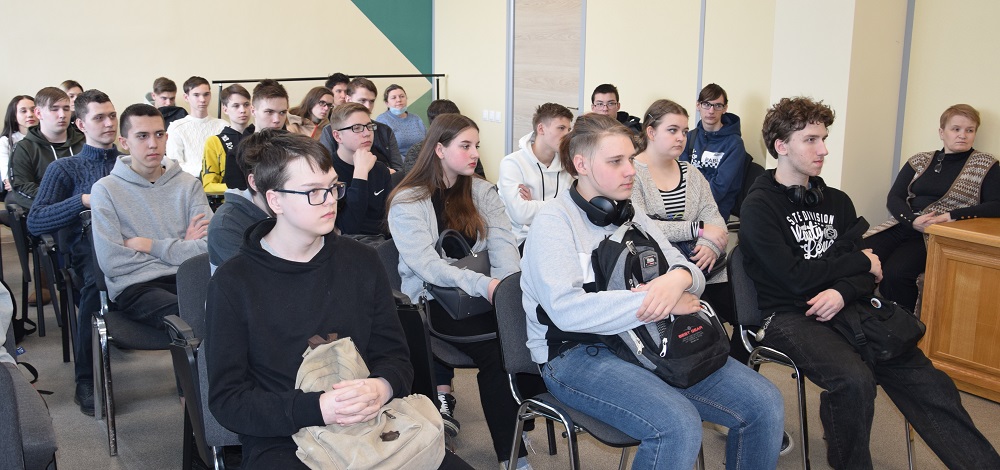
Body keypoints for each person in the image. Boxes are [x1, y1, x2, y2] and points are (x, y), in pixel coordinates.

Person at [740, 96, 1000, 470]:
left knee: (931, 384)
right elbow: (794, 278)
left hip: (847, 305)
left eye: (824, 138)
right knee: (854, 381)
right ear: (781, 146)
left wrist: (843, 287)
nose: (823, 150)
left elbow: (871, 274)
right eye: (811, 140)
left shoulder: (837, 201)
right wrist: (858, 261)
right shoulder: (759, 206)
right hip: (787, 315)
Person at [520, 112, 783, 470]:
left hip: (646, 336)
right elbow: (567, 310)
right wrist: (659, 300)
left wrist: (676, 280)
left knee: (765, 402)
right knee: (677, 425)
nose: (630, 170)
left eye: (630, 159)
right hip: (576, 353)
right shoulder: (554, 222)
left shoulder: (630, 213)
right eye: (616, 161)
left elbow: (691, 274)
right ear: (581, 165)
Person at [205, 132, 471, 469]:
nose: (330, 200)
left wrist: (381, 387)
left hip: (374, 426)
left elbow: (396, 359)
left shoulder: (362, 261)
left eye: (333, 187)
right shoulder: (234, 281)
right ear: (275, 200)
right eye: (313, 192)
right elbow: (229, 401)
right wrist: (319, 408)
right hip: (284, 438)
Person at [387, 114, 534, 470]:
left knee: (531, 333)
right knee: (501, 352)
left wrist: (507, 291)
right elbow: (427, 265)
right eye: (465, 146)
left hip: (485, 295)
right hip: (436, 302)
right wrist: (484, 286)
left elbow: (503, 245)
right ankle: (514, 457)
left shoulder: (481, 191)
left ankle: (520, 421)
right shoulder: (408, 200)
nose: (474, 154)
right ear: (439, 149)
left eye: (476, 146)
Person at [26, 89, 120, 416]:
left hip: (132, 246)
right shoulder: (66, 169)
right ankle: (86, 380)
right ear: (80, 124)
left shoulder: (128, 163)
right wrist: (82, 200)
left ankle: (189, 378)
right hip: (85, 251)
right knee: (97, 279)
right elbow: (36, 221)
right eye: (99, 117)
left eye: (112, 115)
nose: (109, 123)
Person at [863, 104, 999, 311]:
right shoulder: (919, 160)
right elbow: (895, 197)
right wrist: (911, 220)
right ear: (942, 132)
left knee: (896, 274)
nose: (963, 135)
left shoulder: (985, 164)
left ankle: (899, 326)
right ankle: (856, 317)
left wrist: (951, 216)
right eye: (956, 129)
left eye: (970, 130)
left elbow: (996, 205)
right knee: (858, 257)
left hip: (934, 234)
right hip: (904, 224)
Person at [630, 99, 738, 353]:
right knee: (701, 330)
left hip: (704, 264)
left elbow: (713, 216)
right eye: (673, 130)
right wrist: (697, 229)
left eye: (685, 131)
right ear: (651, 132)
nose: (681, 137)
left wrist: (710, 245)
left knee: (741, 316)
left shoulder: (690, 172)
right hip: (661, 269)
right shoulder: (633, 173)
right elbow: (642, 227)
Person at [91, 104, 212, 330]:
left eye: (158, 135)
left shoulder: (189, 185)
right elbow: (112, 262)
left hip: (188, 278)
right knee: (195, 313)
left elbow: (209, 248)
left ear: (166, 138)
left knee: (235, 304)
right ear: (124, 142)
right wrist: (183, 246)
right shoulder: (105, 190)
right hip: (138, 287)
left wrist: (148, 245)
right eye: (142, 136)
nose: (153, 144)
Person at [497, 102, 574, 246]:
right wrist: (562, 204)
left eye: (569, 129)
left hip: (557, 235)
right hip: (521, 241)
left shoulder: (568, 164)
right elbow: (521, 214)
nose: (567, 135)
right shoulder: (512, 163)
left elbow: (575, 209)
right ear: (541, 128)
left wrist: (533, 204)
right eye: (561, 128)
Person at [207, 130, 282, 273]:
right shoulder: (226, 226)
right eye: (283, 176)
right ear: (254, 182)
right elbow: (265, 281)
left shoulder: (299, 208)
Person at [8, 87, 84, 210]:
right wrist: (69, 203)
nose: (62, 115)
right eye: (54, 109)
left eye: (66, 109)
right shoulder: (24, 148)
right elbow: (21, 189)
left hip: (91, 211)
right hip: (50, 214)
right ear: (38, 113)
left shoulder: (85, 142)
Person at [682, 84, 747, 220]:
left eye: (717, 105)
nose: (711, 111)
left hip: (715, 213)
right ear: (698, 105)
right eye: (706, 104)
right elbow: (682, 177)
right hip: (685, 208)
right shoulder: (689, 137)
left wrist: (696, 179)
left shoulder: (734, 144)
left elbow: (718, 189)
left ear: (725, 108)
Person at [329, 102, 392, 238]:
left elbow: (388, 223)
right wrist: (360, 174)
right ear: (337, 136)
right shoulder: (327, 172)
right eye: (357, 128)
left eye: (369, 126)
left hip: (381, 243)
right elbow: (349, 227)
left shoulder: (380, 169)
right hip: (349, 246)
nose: (367, 133)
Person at [320, 77, 403, 172]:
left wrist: (387, 174)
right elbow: (325, 168)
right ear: (348, 99)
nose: (368, 106)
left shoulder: (384, 130)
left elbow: (399, 169)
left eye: (371, 101)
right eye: (362, 100)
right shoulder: (329, 130)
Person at [404, 99, 484, 178]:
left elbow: (481, 177)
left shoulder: (468, 153)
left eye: (476, 146)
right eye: (465, 146)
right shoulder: (416, 152)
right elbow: (414, 182)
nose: (476, 155)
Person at [166, 76, 227, 176]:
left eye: (206, 94)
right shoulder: (176, 128)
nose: (202, 99)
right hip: (187, 182)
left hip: (219, 182)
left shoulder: (223, 126)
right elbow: (174, 165)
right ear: (186, 97)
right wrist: (205, 173)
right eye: (196, 95)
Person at [201, 84, 254, 193]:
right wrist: (240, 189)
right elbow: (208, 186)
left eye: (246, 104)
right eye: (236, 106)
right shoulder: (214, 142)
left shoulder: (260, 137)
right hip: (230, 200)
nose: (242, 110)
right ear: (225, 109)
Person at [375, 84, 427, 157]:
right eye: (393, 98)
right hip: (398, 162)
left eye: (402, 96)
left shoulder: (416, 118)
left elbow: (428, 141)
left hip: (422, 160)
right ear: (387, 103)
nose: (399, 100)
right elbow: (384, 150)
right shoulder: (382, 120)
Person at [1, 95, 37, 196]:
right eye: (23, 111)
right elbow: (9, 179)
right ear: (14, 117)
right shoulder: (6, 141)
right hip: (19, 191)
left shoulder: (49, 138)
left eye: (33, 110)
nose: (30, 115)